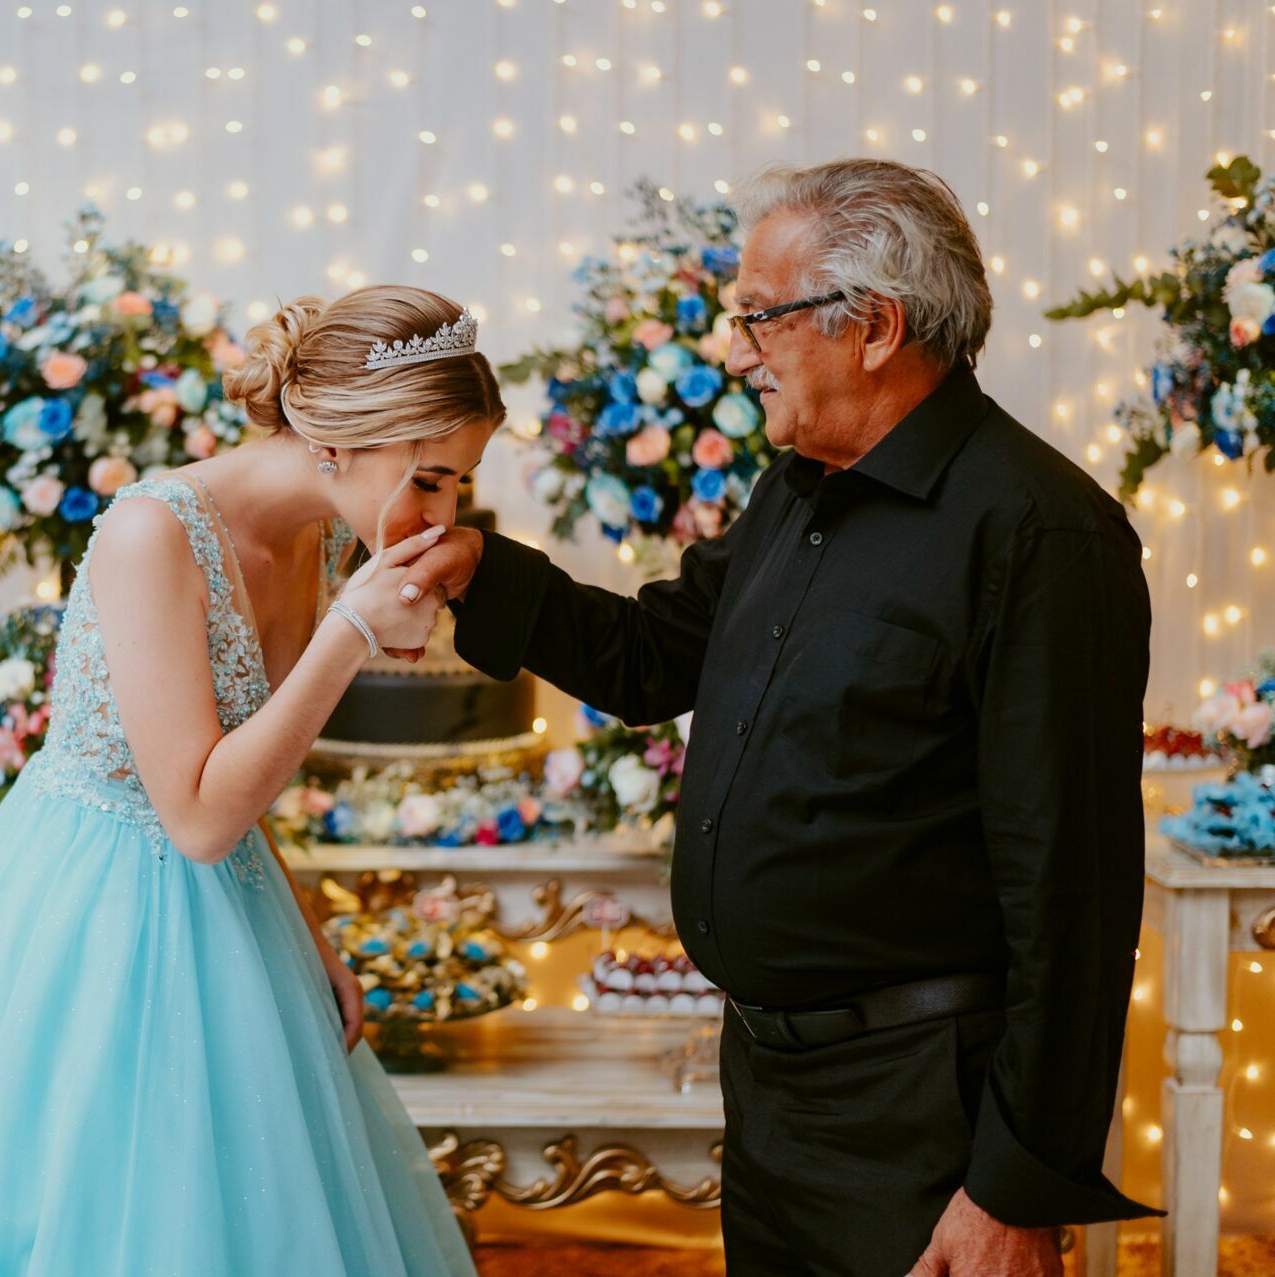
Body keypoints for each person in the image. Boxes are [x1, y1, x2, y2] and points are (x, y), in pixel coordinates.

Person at [399, 159, 1160, 1275]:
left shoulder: (1041, 534)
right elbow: (656, 654)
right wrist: (476, 565)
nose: (733, 346)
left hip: (923, 1117)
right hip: (771, 1086)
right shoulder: (798, 487)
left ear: (876, 327)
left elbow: (1073, 896)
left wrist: (1010, 1185)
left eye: (758, 314)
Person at [0, 285, 498, 1276]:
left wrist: (310, 933)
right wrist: (348, 634)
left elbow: (242, 756)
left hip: (236, 900)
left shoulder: (321, 535)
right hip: (93, 907)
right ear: (340, 436)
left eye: (457, 487)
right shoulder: (152, 532)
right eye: (432, 478)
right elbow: (191, 812)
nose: (439, 518)